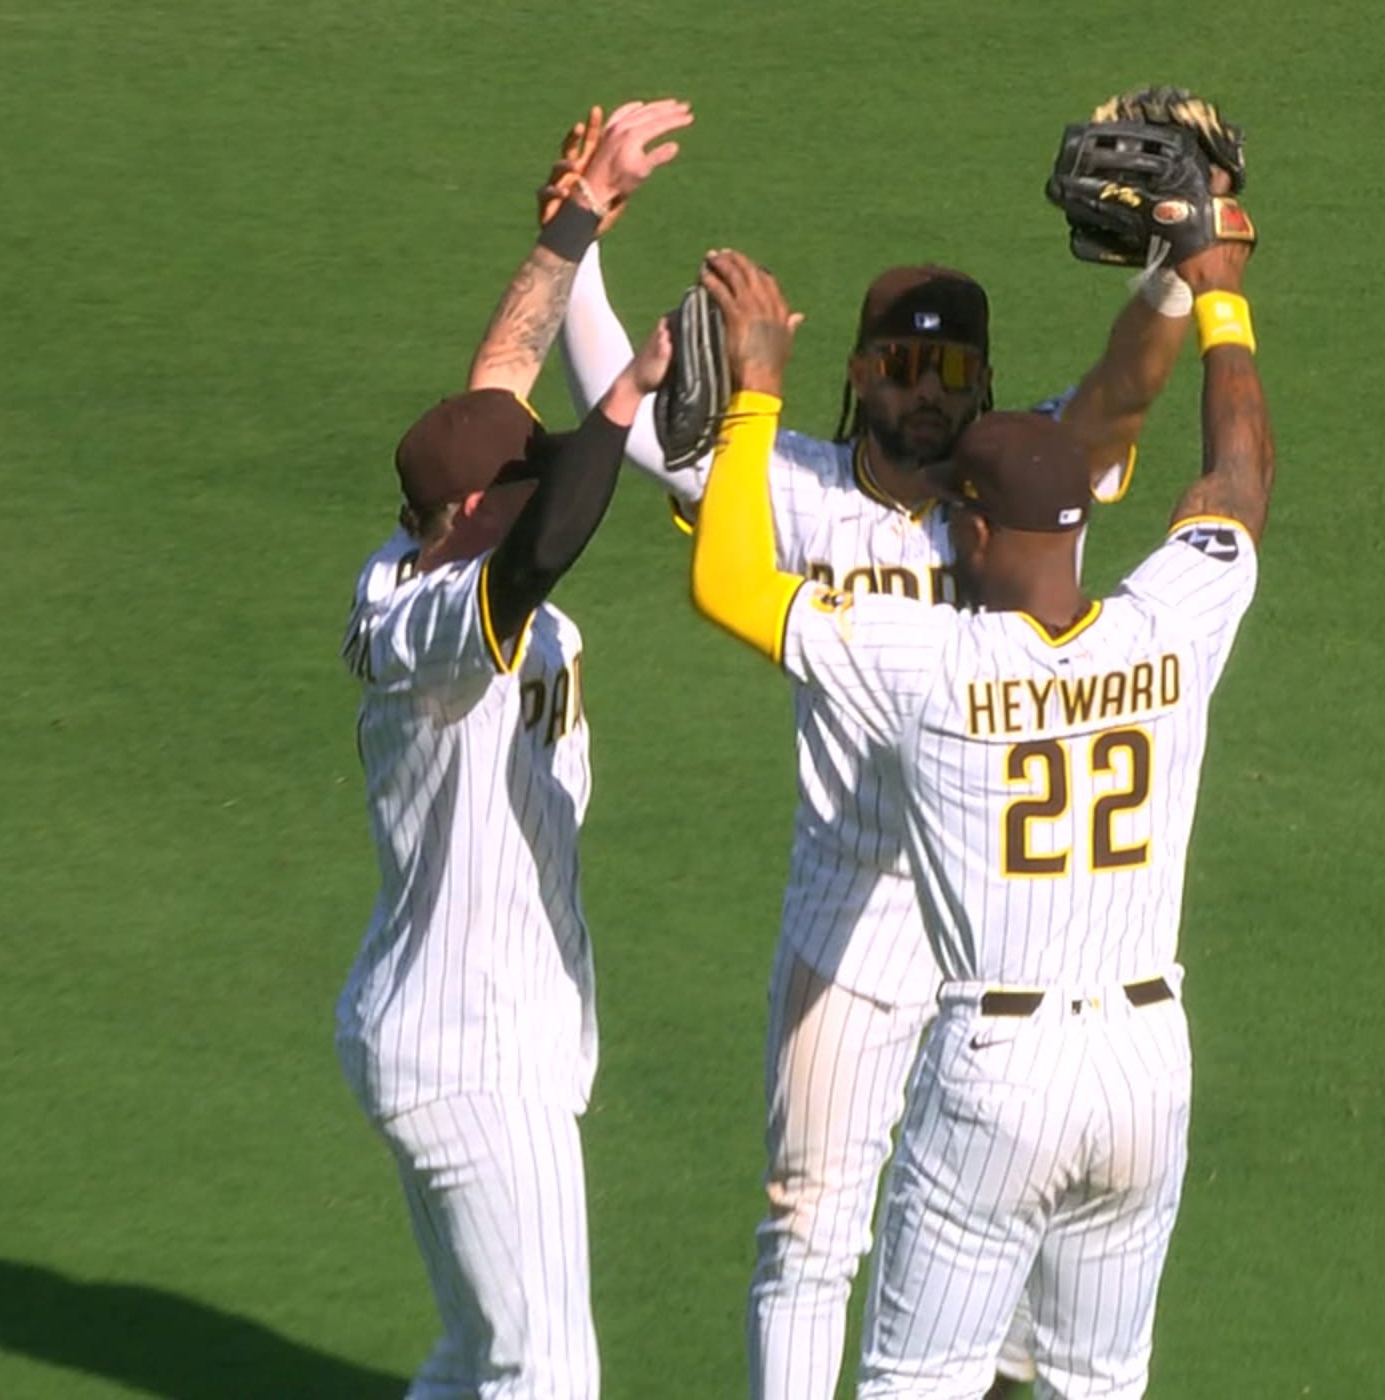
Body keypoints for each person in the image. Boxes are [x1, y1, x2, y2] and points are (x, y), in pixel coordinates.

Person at [546, 132, 1207, 1400]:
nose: (928, 392)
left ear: (984, 381)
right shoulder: (788, 484)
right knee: (809, 1225)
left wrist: (1179, 275)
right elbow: (626, 414)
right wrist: (577, 242)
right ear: (856, 371)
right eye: (903, 365)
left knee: (1021, 1266)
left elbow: (1123, 394)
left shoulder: (1024, 482)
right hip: (853, 915)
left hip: (1012, 929)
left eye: (952, 369)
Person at [684, 233, 1271, 1399]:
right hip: (1146, 1058)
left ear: (984, 534)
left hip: (999, 1057)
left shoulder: (927, 663)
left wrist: (754, 393)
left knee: (916, 1379)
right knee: (1092, 1380)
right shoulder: (1170, 624)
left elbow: (729, 583)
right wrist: (1221, 297)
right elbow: (1237, 481)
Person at [332, 98, 689, 1400]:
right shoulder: (434, 623)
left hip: (447, 1026)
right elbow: (545, 546)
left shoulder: (431, 530)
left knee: (478, 1355)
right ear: (475, 510)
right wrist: (627, 399)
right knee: (547, 1374)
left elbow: (499, 373)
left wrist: (580, 214)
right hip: (476, 1052)